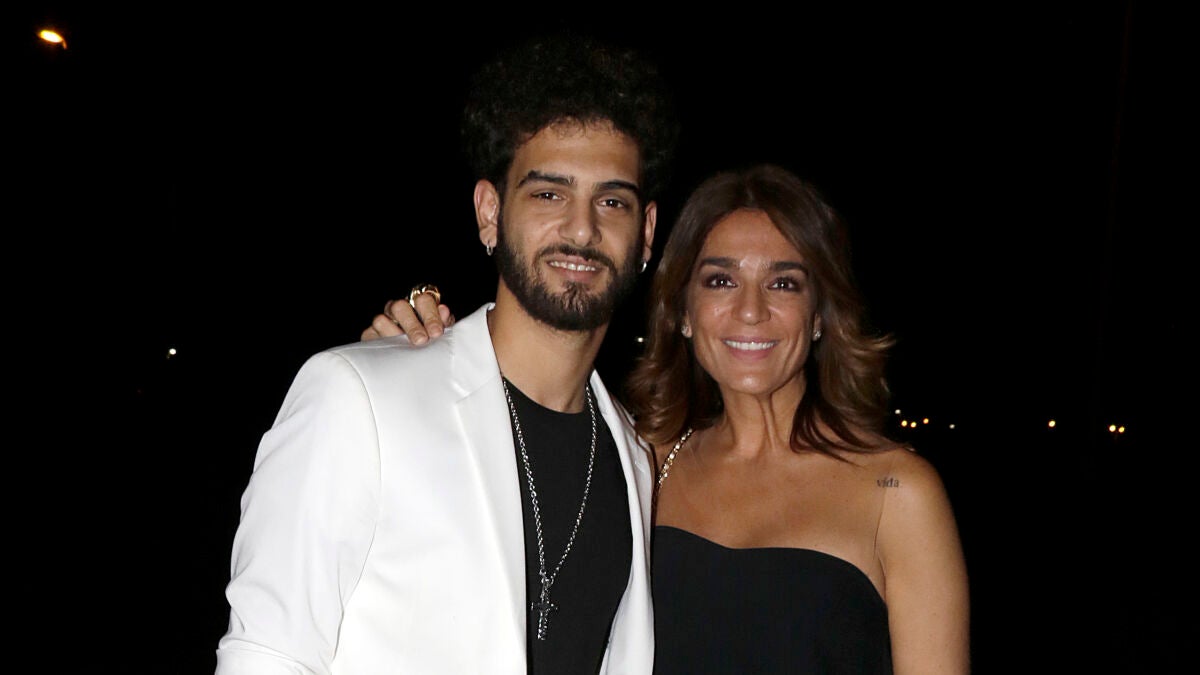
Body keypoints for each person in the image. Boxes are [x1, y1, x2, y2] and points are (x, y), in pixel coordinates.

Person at [374, 164, 970, 673]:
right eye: (721, 280)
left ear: (819, 316)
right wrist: (412, 359)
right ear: (683, 311)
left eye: (784, 283)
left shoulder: (897, 493)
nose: (751, 310)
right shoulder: (640, 463)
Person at [215, 33, 678, 675]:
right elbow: (267, 654)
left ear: (646, 232)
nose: (582, 228)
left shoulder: (633, 461)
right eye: (549, 194)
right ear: (490, 212)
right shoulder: (358, 399)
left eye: (611, 201)